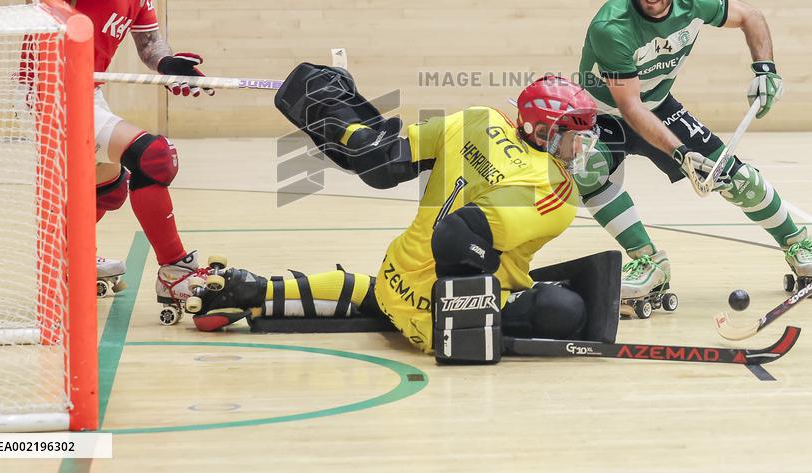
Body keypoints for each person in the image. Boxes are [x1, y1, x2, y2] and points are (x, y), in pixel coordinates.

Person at [189, 69, 602, 357]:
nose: (582, 147)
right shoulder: (556, 191)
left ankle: (250, 289)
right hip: (439, 319)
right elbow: (455, 240)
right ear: (544, 131)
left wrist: (344, 118)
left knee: (384, 288)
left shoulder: (480, 119)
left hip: (394, 276)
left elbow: (385, 162)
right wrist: (484, 267)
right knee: (564, 309)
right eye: (576, 136)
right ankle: (451, 316)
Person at [574, 0, 812, 314]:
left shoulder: (694, 3)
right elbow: (630, 108)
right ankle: (648, 260)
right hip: (606, 112)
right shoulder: (612, 27)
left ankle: (797, 243)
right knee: (586, 169)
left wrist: (765, 70)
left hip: (659, 104)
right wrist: (680, 153)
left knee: (735, 177)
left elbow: (751, 17)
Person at [23, 0, 215, 320]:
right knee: (155, 158)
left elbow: (150, 47)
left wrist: (170, 67)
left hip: (85, 90)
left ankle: (69, 258)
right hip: (51, 89)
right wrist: (73, 35)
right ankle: (174, 271)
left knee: (109, 188)